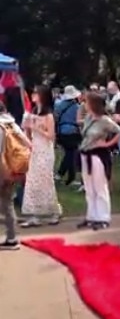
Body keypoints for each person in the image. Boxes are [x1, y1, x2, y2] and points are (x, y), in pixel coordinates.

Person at [78, 92, 120, 230]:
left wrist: (107, 144)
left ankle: (103, 217)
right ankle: (91, 216)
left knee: (100, 187)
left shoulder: (105, 120)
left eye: (87, 102)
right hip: (85, 153)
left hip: (98, 155)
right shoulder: (88, 118)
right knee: (89, 188)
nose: (85, 105)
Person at [21, 85, 62, 228]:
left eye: (36, 93)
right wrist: (26, 129)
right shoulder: (33, 112)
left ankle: (54, 212)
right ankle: (34, 215)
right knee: (32, 181)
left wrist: (35, 127)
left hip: (45, 150)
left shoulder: (49, 115)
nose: (33, 95)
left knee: (45, 180)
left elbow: (51, 136)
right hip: (35, 149)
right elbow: (28, 134)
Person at [0, 101, 31, 250]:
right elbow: (28, 144)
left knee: (6, 204)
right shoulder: (12, 125)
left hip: (2, 169)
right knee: (8, 203)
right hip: (14, 169)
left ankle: (11, 238)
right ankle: (12, 239)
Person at [55, 85, 81, 185]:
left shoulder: (59, 105)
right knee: (71, 155)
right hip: (72, 132)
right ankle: (63, 175)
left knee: (69, 154)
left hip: (61, 131)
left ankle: (70, 177)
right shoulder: (76, 107)